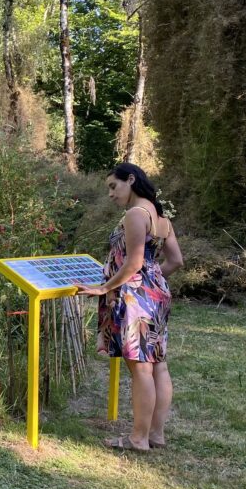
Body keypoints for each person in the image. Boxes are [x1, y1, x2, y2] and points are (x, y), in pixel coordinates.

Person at [76, 163, 183, 451]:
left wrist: (105, 287)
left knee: (141, 369)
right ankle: (155, 435)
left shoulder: (136, 214)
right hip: (156, 294)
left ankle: (138, 438)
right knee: (158, 365)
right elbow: (175, 262)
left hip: (136, 299)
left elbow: (133, 262)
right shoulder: (161, 217)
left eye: (114, 186)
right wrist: (152, 280)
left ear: (131, 180)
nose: (111, 194)